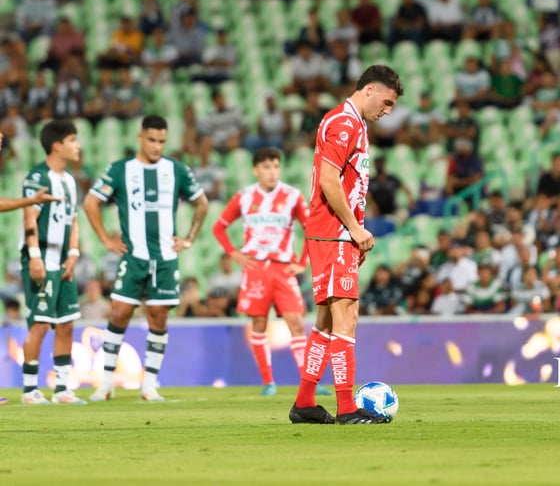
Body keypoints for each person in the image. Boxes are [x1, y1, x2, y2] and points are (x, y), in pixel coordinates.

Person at [289, 65, 403, 425]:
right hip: (334, 231)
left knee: (326, 318)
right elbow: (328, 180)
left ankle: (305, 402)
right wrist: (354, 229)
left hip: (336, 233)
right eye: (386, 102)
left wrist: (357, 233)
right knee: (346, 315)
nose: (388, 111)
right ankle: (347, 409)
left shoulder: (356, 125)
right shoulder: (344, 123)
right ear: (369, 89)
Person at [83, 115, 208, 402]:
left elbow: (201, 203)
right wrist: (105, 238)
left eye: (162, 141)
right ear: (140, 138)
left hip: (165, 258)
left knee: (159, 317)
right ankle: (105, 383)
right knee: (119, 314)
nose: (156, 146)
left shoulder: (176, 169)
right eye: (152, 140)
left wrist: (190, 237)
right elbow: (91, 202)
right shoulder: (120, 170)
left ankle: (149, 385)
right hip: (134, 256)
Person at [212, 147, 331, 397]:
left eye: (275, 166)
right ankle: (268, 382)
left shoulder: (292, 196)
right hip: (255, 268)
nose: (272, 171)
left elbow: (311, 228)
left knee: (296, 324)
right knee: (258, 323)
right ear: (256, 170)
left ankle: (309, 383)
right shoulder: (244, 197)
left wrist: (302, 261)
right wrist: (234, 254)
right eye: (266, 167)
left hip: (282, 268)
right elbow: (219, 228)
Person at [19, 120, 86, 405]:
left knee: (67, 323)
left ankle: (62, 389)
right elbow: (29, 217)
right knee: (40, 324)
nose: (78, 146)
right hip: (42, 258)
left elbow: (73, 220)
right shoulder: (37, 177)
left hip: (63, 260)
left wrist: (74, 253)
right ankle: (30, 390)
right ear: (57, 145)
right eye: (73, 140)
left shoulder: (69, 179)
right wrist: (35, 257)